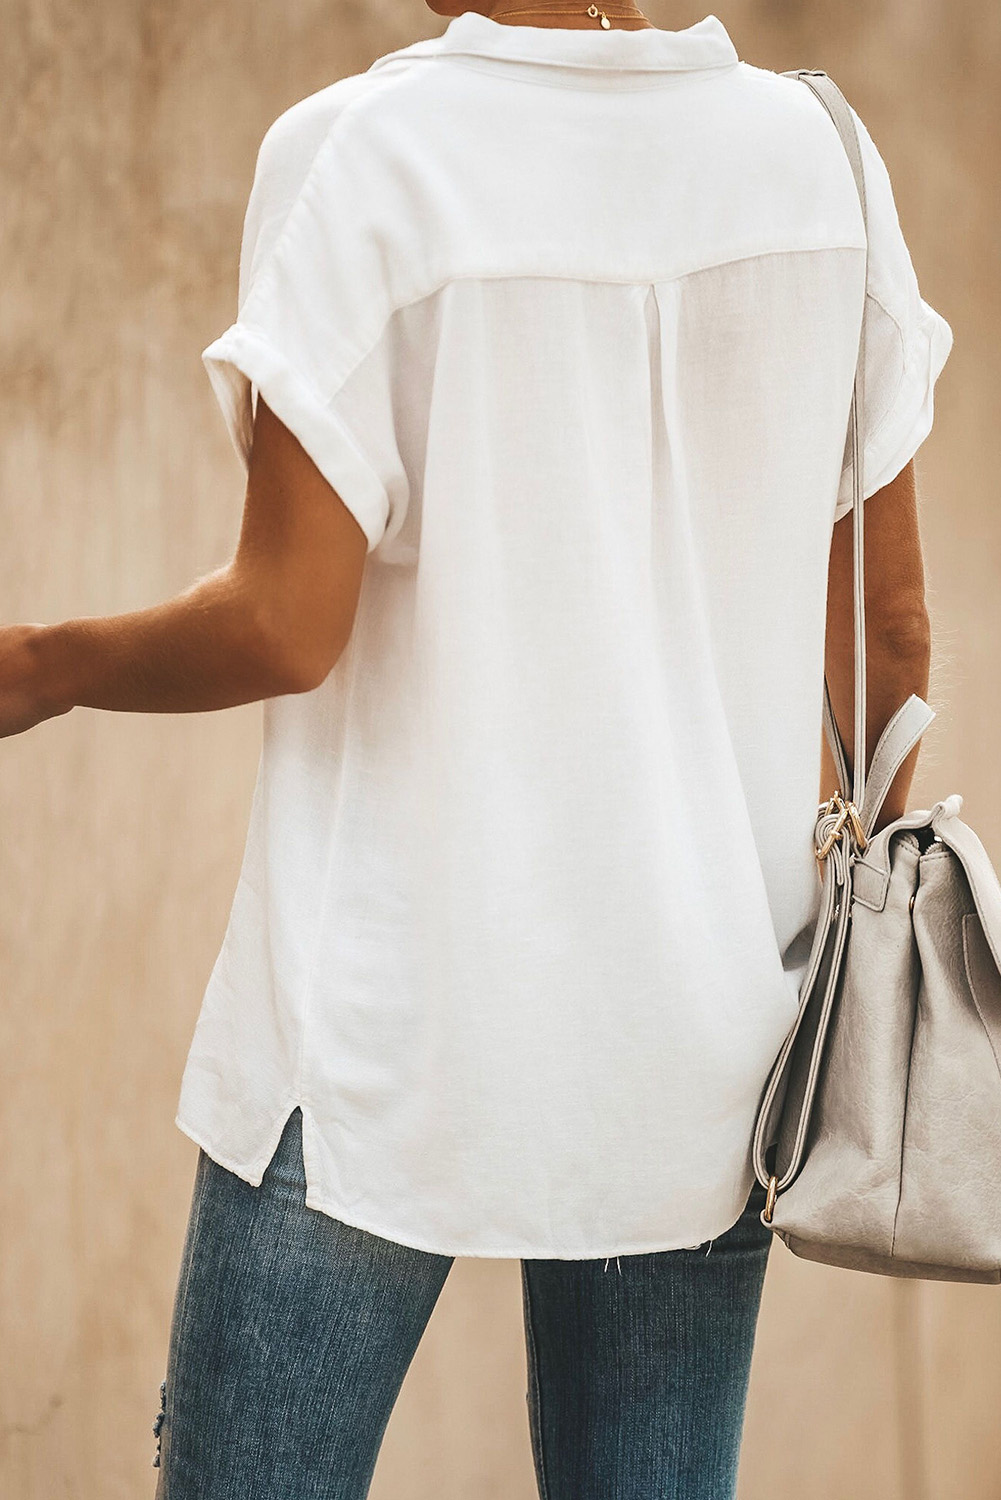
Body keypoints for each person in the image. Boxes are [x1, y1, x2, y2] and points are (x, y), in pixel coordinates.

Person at [1, 4, 951, 1496]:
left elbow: (281, 623)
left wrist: (39, 665)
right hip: (705, 1048)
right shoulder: (816, 163)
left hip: (386, 1026)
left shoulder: (362, 157)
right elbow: (886, 637)